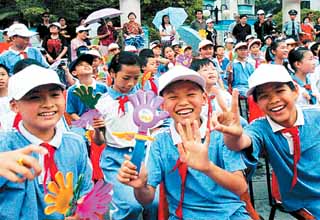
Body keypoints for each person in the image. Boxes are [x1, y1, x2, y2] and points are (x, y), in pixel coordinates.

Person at [117, 65, 249, 219]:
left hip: (230, 214)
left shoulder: (220, 133)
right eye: (173, 97)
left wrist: (208, 168)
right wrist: (140, 186)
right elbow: (147, 197)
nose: (183, 102)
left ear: (204, 99)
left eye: (191, 94)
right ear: (163, 105)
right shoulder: (160, 142)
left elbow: (241, 187)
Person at [218, 63, 320, 218]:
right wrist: (232, 134)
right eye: (264, 96)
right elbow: (240, 143)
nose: (273, 100)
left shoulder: (315, 116)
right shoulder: (260, 128)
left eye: (280, 91)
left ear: (295, 91)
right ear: (257, 103)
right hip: (303, 202)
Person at [0, 64, 93, 219]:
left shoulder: (75, 144)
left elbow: (85, 189)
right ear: (15, 106)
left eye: (55, 94)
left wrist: (83, 211)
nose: (48, 104)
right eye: (34, 97)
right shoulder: (5, 147)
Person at [93, 51, 158, 219]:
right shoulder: (103, 103)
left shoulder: (142, 99)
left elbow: (154, 127)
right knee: (131, 206)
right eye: (126, 78)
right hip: (115, 158)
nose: (131, 83)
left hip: (142, 154)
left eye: (135, 78)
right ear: (112, 73)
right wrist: (98, 131)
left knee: (154, 202)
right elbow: (99, 142)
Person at [66, 54, 108, 121]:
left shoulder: (103, 87)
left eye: (88, 63)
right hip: (82, 125)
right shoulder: (72, 90)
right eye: (81, 65)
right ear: (74, 72)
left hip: (102, 122)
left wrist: (102, 121)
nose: (86, 65)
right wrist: (84, 123)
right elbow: (71, 111)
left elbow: (108, 107)